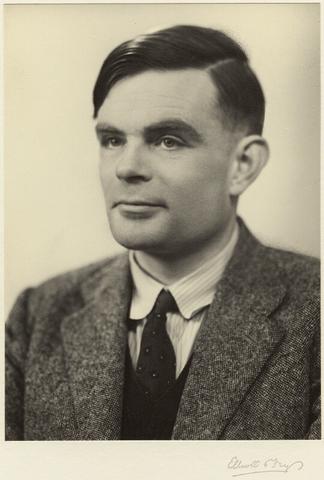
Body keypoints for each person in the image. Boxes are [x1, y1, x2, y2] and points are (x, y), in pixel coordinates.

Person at [5, 25, 320, 441]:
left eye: (168, 140)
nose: (126, 167)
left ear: (242, 165)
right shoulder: (38, 316)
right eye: (112, 139)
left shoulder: (314, 313)